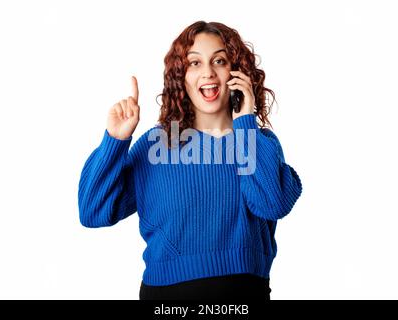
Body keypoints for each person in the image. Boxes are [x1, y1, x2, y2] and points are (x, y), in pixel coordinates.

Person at [78, 21, 302, 300]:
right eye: (194, 63)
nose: (207, 72)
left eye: (219, 60)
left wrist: (245, 121)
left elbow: (272, 203)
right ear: (181, 76)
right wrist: (115, 140)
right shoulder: (156, 144)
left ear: (236, 72)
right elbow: (93, 211)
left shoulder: (260, 143)